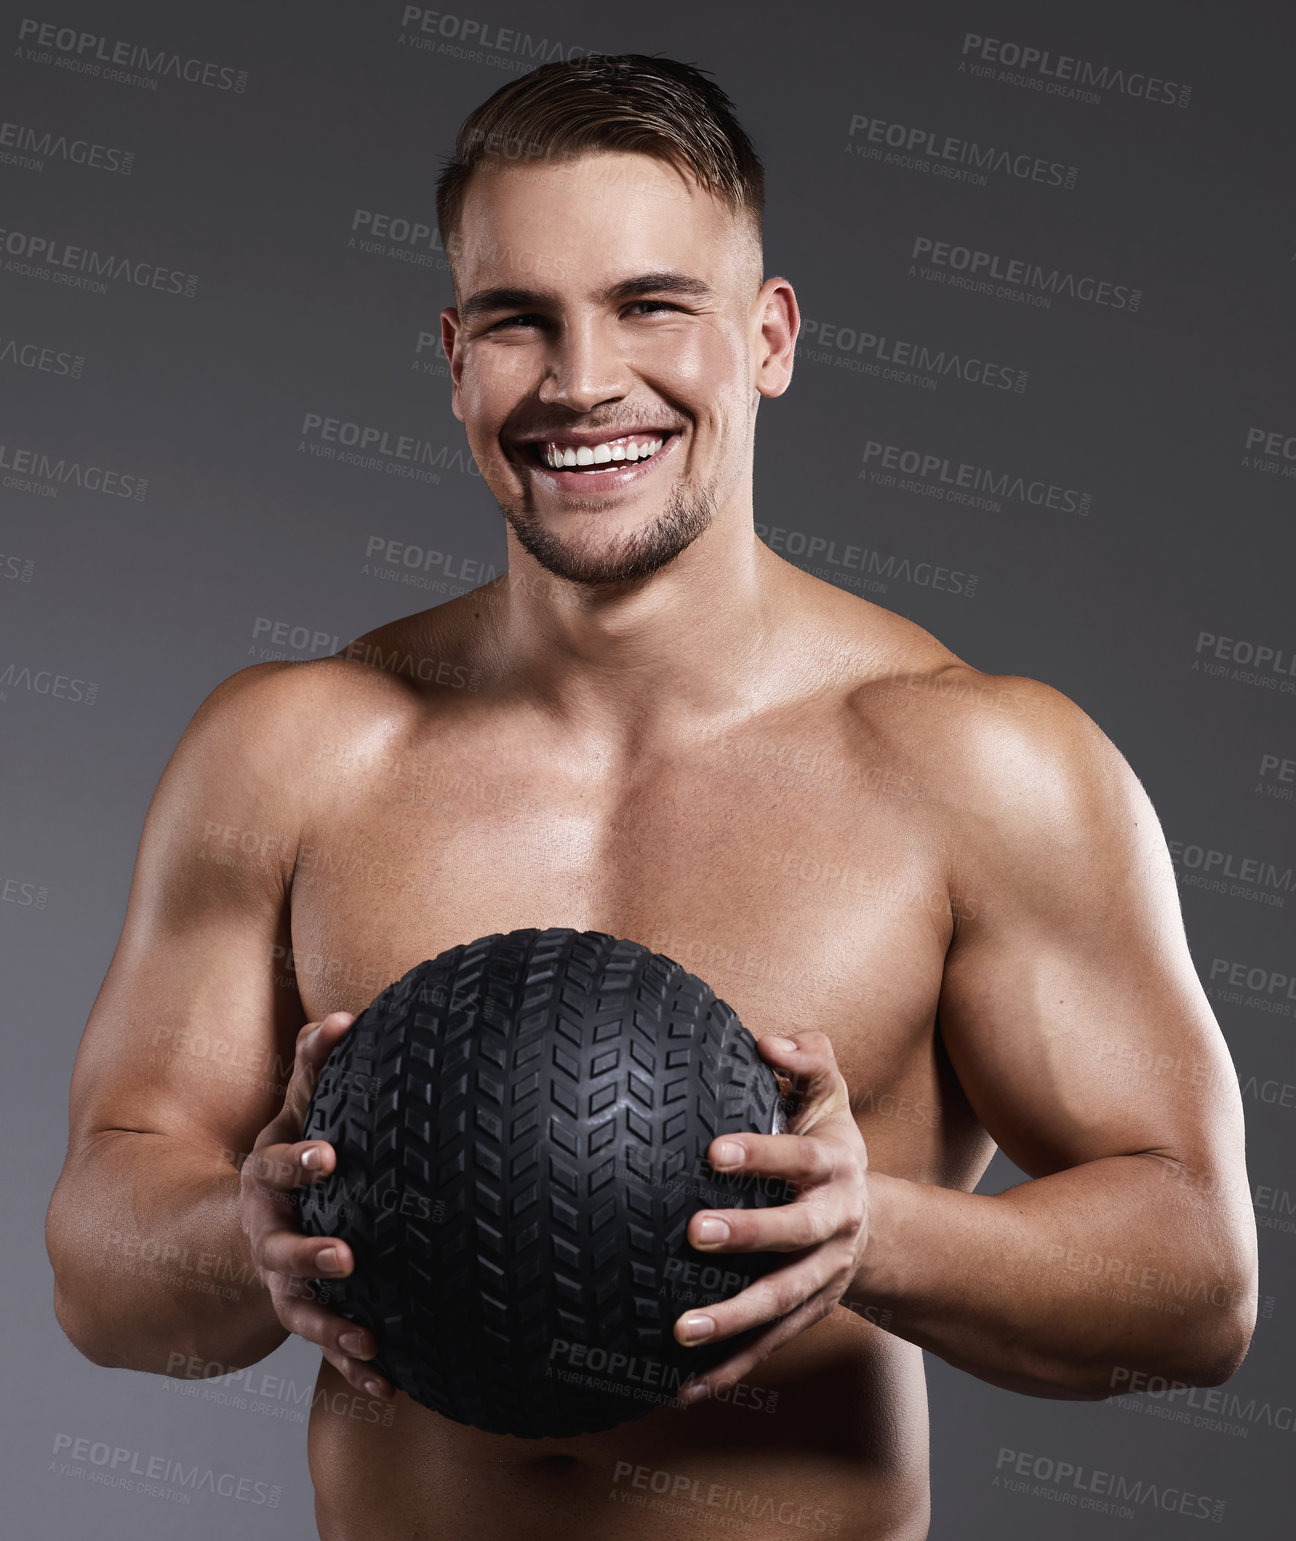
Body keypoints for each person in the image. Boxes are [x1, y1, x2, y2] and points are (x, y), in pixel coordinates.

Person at [46, 53, 1257, 1541]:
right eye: (517, 321)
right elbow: (98, 1266)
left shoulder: (979, 767)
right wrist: (247, 1239)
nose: (581, 380)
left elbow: (1200, 1280)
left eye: (651, 306)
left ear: (770, 337)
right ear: (451, 357)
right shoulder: (290, 751)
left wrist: (869, 1232)